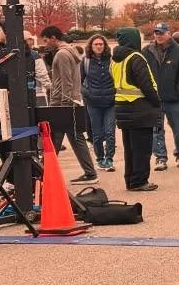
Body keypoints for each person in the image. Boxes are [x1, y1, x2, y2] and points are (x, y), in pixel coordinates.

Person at [39, 28, 98, 180]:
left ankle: (45, 174)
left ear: (53, 38)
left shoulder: (62, 54)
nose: (45, 44)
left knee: (55, 139)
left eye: (45, 40)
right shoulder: (69, 52)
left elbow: (67, 81)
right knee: (74, 138)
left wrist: (64, 105)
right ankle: (90, 172)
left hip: (63, 103)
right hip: (70, 102)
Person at [112, 28, 162, 192]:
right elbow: (146, 84)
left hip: (123, 108)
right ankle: (139, 181)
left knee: (130, 149)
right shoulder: (136, 57)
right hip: (140, 108)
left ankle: (131, 179)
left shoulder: (116, 59)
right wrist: (156, 101)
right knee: (142, 148)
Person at [145, 22, 179, 169]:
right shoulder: (146, 51)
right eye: (156, 33)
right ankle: (160, 157)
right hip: (154, 99)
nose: (159, 36)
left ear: (168, 33)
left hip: (173, 99)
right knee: (156, 130)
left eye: (162, 33)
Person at [81, 35, 116, 171]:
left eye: (101, 44)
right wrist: (87, 94)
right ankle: (100, 158)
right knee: (97, 133)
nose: (99, 46)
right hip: (93, 102)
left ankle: (109, 158)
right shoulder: (86, 61)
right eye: (96, 44)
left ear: (105, 45)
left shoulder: (112, 61)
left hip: (110, 102)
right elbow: (80, 81)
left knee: (109, 131)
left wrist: (114, 93)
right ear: (91, 46)